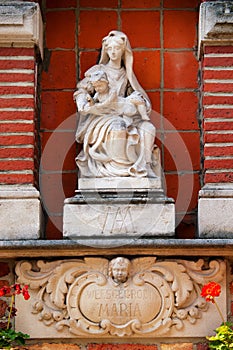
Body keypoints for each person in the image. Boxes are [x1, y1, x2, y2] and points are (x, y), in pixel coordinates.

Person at [74, 30, 157, 178]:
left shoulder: (127, 75)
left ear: (123, 50)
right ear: (106, 50)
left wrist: (139, 103)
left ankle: (144, 166)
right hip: (102, 116)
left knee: (148, 128)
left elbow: (138, 96)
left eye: (117, 48)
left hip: (123, 113)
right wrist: (83, 103)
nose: (113, 52)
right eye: (110, 49)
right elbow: (82, 90)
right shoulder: (98, 71)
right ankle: (119, 170)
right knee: (118, 126)